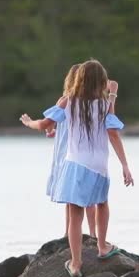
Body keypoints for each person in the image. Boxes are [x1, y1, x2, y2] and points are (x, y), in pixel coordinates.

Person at [20, 59, 133, 277]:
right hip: (100, 165)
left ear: (79, 79)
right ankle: (102, 247)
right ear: (101, 81)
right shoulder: (103, 105)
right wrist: (125, 165)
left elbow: (44, 125)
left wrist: (28, 122)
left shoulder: (68, 102)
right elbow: (113, 133)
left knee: (75, 215)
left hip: (76, 165)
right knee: (102, 204)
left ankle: (76, 263)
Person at [35, 64, 120, 238]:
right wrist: (112, 95)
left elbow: (50, 125)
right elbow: (108, 127)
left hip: (72, 153)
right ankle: (88, 236)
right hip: (74, 152)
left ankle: (84, 236)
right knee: (80, 200)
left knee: (77, 200)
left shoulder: (72, 102)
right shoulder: (74, 101)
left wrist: (42, 127)